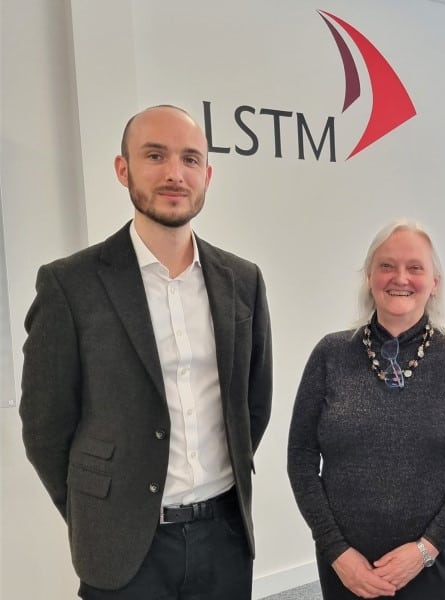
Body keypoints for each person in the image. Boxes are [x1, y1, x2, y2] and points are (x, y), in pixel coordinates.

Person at [19, 105, 272, 599]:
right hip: (123, 547)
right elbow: (45, 424)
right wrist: (95, 507)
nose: (175, 174)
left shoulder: (242, 280)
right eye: (155, 155)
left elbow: (252, 405)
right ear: (123, 169)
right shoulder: (71, 284)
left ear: (208, 175)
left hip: (224, 536)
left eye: (190, 159)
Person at [287, 219, 445, 599]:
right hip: (349, 568)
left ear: (434, 282)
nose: (400, 278)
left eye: (415, 268)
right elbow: (301, 458)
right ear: (369, 276)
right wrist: (335, 549)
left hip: (436, 561)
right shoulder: (330, 354)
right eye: (387, 266)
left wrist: (426, 549)